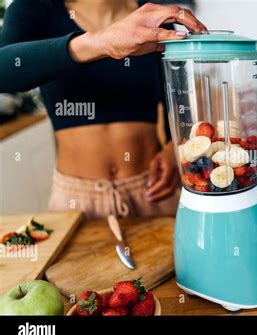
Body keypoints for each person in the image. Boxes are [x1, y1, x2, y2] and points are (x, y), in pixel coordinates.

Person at [0, 0, 207, 219]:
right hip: (76, 202)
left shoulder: (152, 16)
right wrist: (101, 43)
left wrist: (174, 148)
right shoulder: (34, 9)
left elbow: (176, 96)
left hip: (153, 192)